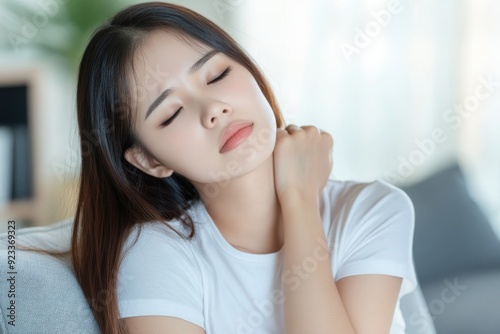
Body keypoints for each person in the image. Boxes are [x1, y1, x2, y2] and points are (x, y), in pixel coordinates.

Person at [72, 2, 418, 333]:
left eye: (217, 74)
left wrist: (299, 201)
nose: (214, 108)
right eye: (171, 113)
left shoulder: (372, 210)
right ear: (150, 160)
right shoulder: (153, 254)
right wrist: (298, 196)